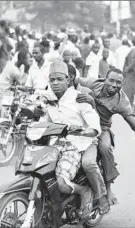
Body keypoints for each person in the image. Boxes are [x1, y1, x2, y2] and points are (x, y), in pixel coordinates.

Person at [75, 68, 135, 212]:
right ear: (105, 79)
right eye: (111, 80)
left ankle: (108, 190)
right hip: (82, 124)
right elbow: (74, 80)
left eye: (119, 83)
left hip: (101, 129)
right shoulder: (94, 83)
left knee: (104, 148)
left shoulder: (121, 101)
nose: (114, 85)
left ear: (123, 84)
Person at [39, 61, 101, 219]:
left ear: (68, 79)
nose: (55, 83)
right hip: (53, 146)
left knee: (60, 182)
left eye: (59, 79)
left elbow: (94, 125)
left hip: (74, 146)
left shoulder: (79, 98)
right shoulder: (48, 99)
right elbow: (43, 121)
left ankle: (84, 191)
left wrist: (83, 131)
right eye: (52, 80)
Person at [0, 51, 29, 121]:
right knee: (5, 112)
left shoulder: (11, 64)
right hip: (2, 90)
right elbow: (22, 84)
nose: (28, 61)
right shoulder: (15, 71)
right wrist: (27, 70)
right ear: (22, 59)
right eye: (27, 59)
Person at [123, 38, 135, 110]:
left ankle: (129, 107)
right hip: (133, 75)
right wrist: (128, 69)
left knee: (129, 91)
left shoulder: (132, 50)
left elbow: (126, 59)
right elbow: (133, 64)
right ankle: (133, 108)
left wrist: (124, 69)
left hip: (129, 74)